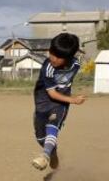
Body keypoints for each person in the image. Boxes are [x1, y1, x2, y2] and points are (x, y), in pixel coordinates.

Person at [32, 33, 86, 170]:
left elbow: (65, 83)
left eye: (58, 56)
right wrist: (73, 100)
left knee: (53, 126)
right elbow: (52, 93)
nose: (53, 58)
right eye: (51, 53)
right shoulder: (48, 68)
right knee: (40, 138)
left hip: (60, 104)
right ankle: (52, 151)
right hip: (43, 102)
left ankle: (45, 156)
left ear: (68, 58)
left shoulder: (75, 65)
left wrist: (69, 100)